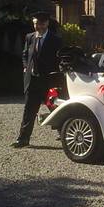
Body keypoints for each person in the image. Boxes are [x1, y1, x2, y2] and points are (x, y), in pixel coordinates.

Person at [12, 12, 63, 148]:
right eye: (35, 23)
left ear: (46, 23)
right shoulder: (30, 37)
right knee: (29, 110)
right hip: (32, 80)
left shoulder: (56, 40)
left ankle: (63, 133)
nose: (37, 26)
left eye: (40, 24)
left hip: (48, 81)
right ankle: (23, 138)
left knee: (55, 108)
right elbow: (24, 54)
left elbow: (60, 60)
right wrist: (25, 67)